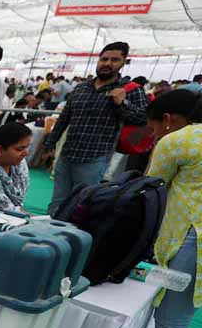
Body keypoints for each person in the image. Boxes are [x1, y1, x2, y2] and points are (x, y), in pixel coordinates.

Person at [102, 89, 201, 328]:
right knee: (180, 318)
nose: (154, 133)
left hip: (185, 240)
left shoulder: (179, 141)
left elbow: (151, 188)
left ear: (167, 120)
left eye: (154, 126)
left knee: (169, 319)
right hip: (194, 243)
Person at [43, 42, 149, 214]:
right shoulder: (81, 88)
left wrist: (122, 103)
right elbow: (64, 118)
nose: (107, 63)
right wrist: (49, 144)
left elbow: (144, 121)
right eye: (104, 59)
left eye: (114, 60)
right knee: (57, 202)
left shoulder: (129, 90)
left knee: (81, 206)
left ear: (123, 62)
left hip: (95, 158)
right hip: (67, 154)